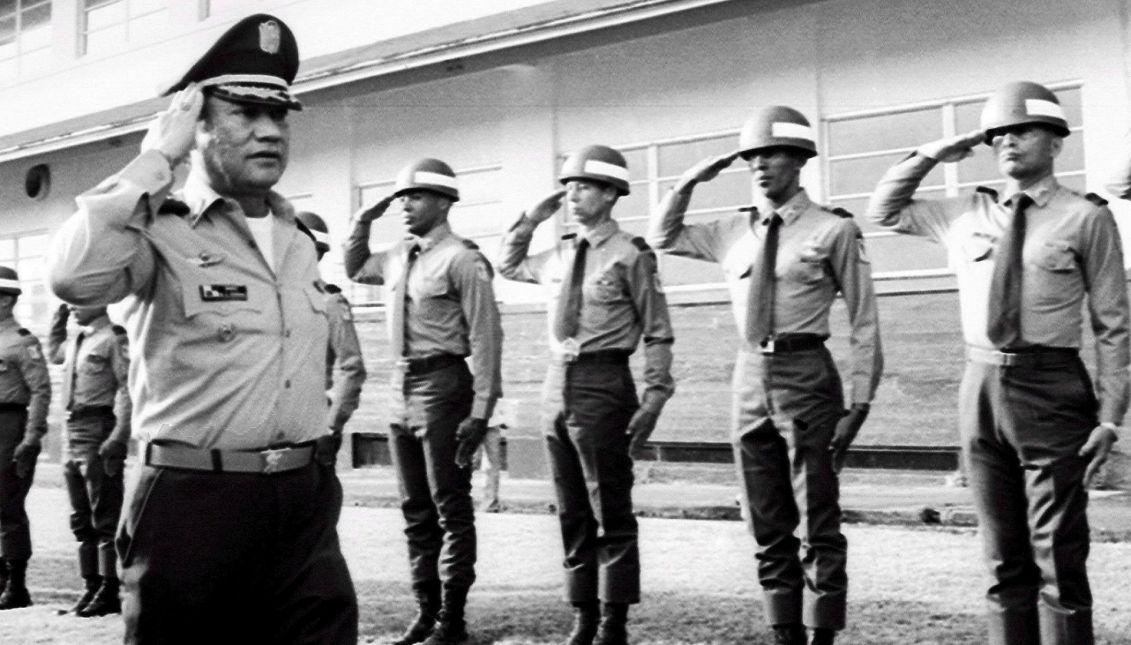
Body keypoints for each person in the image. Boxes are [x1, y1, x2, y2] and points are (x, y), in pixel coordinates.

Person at [47, 14, 358, 644]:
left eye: (280, 114)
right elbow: (74, 279)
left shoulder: (299, 240)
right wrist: (156, 155)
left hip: (303, 497)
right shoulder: (158, 229)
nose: (269, 130)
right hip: (195, 504)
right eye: (244, 112)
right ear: (198, 124)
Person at [865, 80, 1128, 645]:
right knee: (1000, 554)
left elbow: (1113, 326)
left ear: (1056, 142)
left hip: (1051, 387)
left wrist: (1110, 417)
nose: (1008, 141)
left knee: (1058, 551)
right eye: (998, 133)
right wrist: (937, 152)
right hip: (980, 385)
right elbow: (883, 210)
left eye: (1022, 130)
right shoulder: (965, 212)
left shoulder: (1086, 219)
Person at [649, 106, 882, 645]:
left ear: (800, 160)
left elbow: (865, 321)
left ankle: (822, 633)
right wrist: (688, 181)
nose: (760, 164)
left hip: (807, 372)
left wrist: (860, 402)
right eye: (752, 155)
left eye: (773, 153)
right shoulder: (732, 230)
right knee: (763, 518)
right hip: (750, 373)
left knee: (817, 515)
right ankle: (784, 633)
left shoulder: (834, 228)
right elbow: (663, 235)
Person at [498, 144, 675, 645]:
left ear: (611, 193)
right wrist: (532, 218)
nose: (573, 196)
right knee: (570, 506)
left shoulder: (631, 255)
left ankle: (614, 620)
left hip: (604, 381)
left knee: (609, 505)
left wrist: (656, 394)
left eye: (584, 187)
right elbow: (508, 265)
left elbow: (658, 330)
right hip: (557, 383)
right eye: (568, 187)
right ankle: (583, 613)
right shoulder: (557, 253)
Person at [345, 158, 503, 645]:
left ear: (443, 201)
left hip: (444, 385)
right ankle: (425, 609)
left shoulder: (462, 259)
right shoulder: (397, 255)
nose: (405, 206)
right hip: (401, 388)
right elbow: (354, 268)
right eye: (401, 198)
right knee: (414, 507)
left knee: (449, 505)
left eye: (414, 196)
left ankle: (452, 619)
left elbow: (488, 340)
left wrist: (481, 412)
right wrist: (362, 221)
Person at [47, 304, 131, 617]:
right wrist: (59, 320)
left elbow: (126, 387)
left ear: (100, 300)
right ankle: (91, 585)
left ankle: (110, 589)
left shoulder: (113, 338)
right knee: (81, 518)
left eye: (79, 300)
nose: (72, 305)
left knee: (105, 514)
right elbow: (55, 353)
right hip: (73, 428)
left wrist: (120, 435)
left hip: (99, 427)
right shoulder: (78, 340)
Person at [295, 210, 368, 461]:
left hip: (311, 422)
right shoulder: (271, 302)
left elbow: (353, 367)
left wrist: (331, 426)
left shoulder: (330, 302)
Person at [0, 267, 49, 610]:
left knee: (7, 505)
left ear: (5, 300)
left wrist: (31, 438)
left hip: (9, 425)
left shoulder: (23, 341)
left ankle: (16, 586)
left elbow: (41, 391)